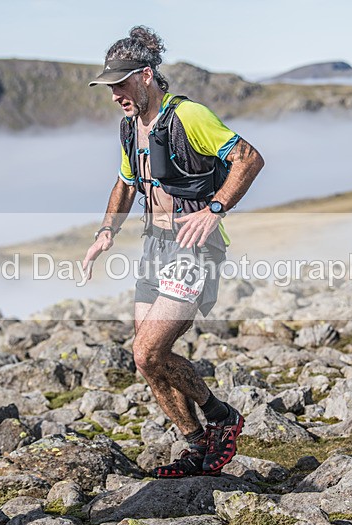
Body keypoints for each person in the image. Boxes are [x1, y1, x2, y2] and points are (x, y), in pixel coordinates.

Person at [81, 26, 264, 478]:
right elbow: (126, 183)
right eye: (109, 86)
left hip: (194, 248)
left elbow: (249, 158)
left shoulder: (190, 116)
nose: (114, 95)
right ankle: (196, 446)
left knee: (146, 352)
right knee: (149, 361)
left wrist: (216, 209)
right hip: (154, 246)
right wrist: (107, 231)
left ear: (145, 76)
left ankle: (223, 418)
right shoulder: (130, 127)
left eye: (120, 84)